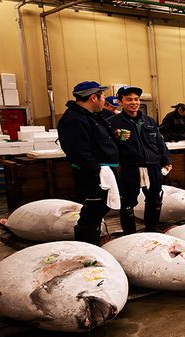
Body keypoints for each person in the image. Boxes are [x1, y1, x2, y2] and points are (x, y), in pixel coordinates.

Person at [57, 81, 120, 245]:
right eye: (103, 97)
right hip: (90, 174)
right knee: (93, 209)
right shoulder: (74, 119)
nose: (104, 100)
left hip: (102, 171)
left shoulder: (91, 116)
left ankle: (92, 242)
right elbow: (79, 151)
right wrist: (96, 170)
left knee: (99, 208)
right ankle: (87, 245)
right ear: (93, 97)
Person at [108, 85, 171, 234]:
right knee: (127, 202)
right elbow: (106, 145)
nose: (134, 102)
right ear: (120, 102)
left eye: (136, 99)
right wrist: (114, 136)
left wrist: (166, 160)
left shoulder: (149, 121)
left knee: (155, 199)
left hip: (153, 165)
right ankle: (129, 234)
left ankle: (152, 230)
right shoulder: (112, 122)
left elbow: (159, 142)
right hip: (130, 167)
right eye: (129, 99)